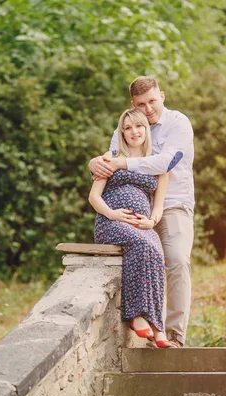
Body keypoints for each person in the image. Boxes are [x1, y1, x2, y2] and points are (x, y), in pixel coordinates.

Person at [89, 76, 194, 348]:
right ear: (132, 104)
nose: (147, 109)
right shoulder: (127, 124)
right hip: (133, 211)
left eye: (151, 101)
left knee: (177, 260)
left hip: (171, 204)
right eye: (140, 104)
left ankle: (173, 336)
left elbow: (165, 162)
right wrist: (95, 163)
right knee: (147, 253)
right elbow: (108, 160)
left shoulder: (178, 123)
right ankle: (143, 321)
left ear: (162, 96)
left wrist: (119, 162)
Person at [89, 108, 172, 348]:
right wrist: (112, 214)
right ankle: (136, 315)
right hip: (111, 222)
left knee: (156, 252)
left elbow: (158, 206)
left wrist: (151, 222)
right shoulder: (111, 157)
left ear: (147, 129)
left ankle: (158, 327)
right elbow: (94, 197)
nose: (134, 132)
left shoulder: (158, 164)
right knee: (142, 243)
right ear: (122, 133)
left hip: (143, 226)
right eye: (127, 128)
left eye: (138, 126)